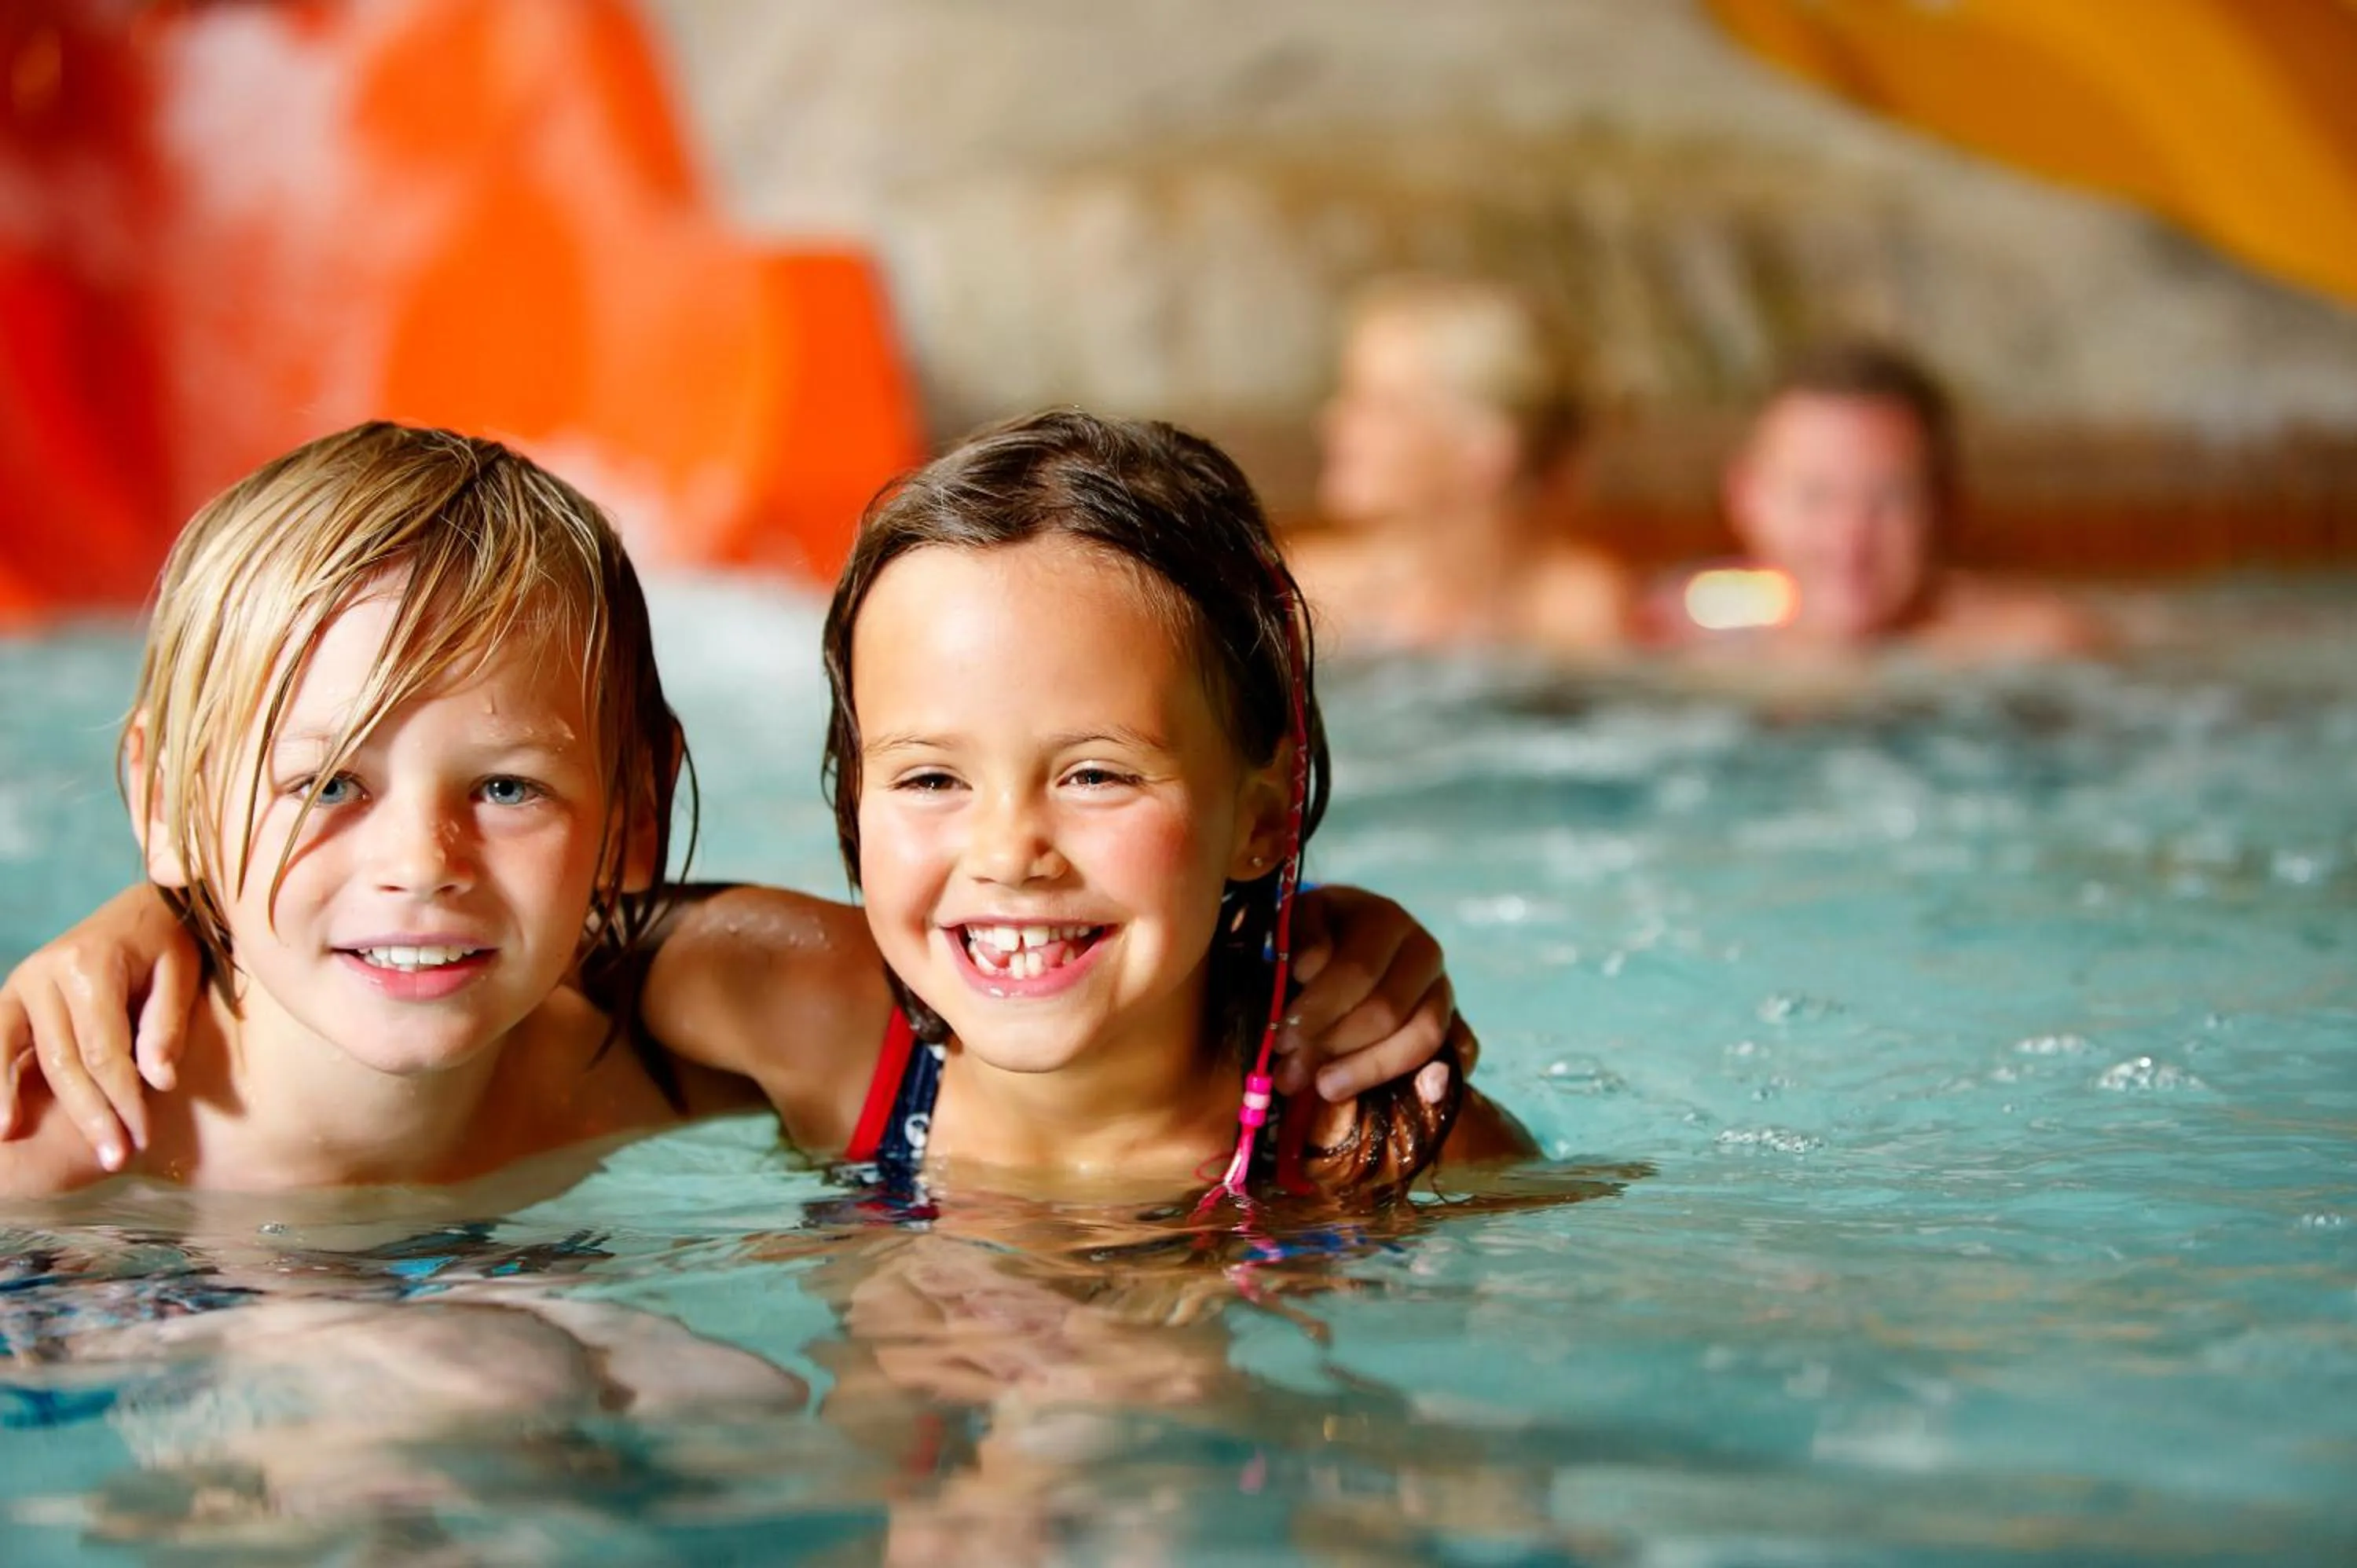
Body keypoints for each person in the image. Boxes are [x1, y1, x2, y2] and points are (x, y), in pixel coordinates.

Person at [0, 422, 1471, 1196]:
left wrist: (1321, 929)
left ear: (627, 816)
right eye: (325, 784)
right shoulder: (45, 1142)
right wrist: (168, 908)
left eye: (507, 788)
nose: (417, 863)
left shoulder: (1361, 1127)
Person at [640, 409, 1533, 1200]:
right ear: (853, 794)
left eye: (1095, 775)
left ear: (1264, 816)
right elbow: (528, 937)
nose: (1007, 850)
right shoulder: (811, 1023)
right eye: (930, 778)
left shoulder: (1379, 1149)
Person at [1651, 339, 2102, 660]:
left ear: (1947, 503)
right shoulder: (1676, 633)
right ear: (1747, 498)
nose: (1849, 540)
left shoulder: (2036, 653)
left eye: (1888, 500)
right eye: (1815, 497)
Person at [1292, 275, 1627, 657]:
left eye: (1383, 407)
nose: (1333, 422)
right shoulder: (1310, 596)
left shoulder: (1570, 613)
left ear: (1487, 450)